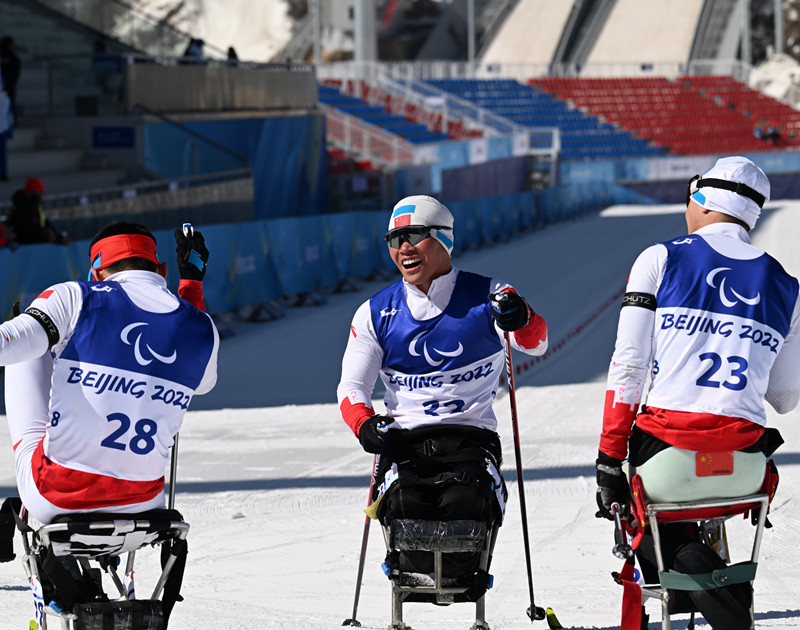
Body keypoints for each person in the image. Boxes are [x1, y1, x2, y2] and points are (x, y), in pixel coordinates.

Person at [595, 156, 800, 628]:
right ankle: (715, 587)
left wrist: (608, 459)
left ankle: (700, 587)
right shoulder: (786, 284)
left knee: (646, 517)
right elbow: (786, 398)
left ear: (702, 199)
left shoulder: (660, 257)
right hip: (745, 469)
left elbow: (629, 366)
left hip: (669, 463)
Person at [337, 195, 548, 578]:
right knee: (406, 507)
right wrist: (363, 423)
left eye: (414, 235)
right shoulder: (374, 312)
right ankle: (416, 577)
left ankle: (462, 579)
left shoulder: (489, 295)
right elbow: (352, 386)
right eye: (394, 239)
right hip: (405, 443)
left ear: (444, 238)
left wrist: (523, 318)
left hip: (471, 440)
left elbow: (536, 344)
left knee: (465, 504)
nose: (403, 247)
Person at [1, 220, 218, 526]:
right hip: (144, 500)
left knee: (28, 343)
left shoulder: (75, 296)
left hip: (57, 496)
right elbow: (202, 383)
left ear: (96, 274)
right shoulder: (202, 325)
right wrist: (191, 287)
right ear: (162, 270)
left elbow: (6, 345)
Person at [6, 177, 70, 244]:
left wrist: (55, 236)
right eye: (40, 193)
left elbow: (45, 224)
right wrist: (54, 238)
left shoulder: (37, 207)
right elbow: (30, 233)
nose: (41, 196)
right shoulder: (24, 208)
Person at [0, 36, 20, 122]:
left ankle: (11, 121)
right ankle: (11, 121)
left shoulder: (11, 55)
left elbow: (16, 67)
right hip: (7, 82)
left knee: (9, 102)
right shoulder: (10, 55)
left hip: (8, 82)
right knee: (9, 102)